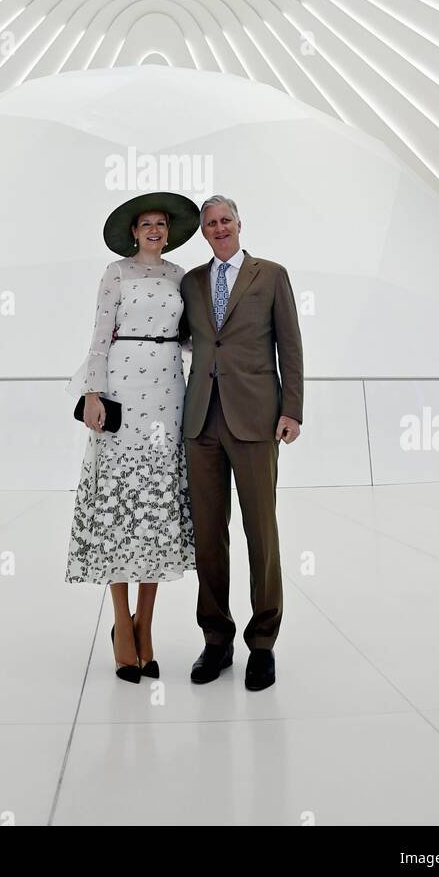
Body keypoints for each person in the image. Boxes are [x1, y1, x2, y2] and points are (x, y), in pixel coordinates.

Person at [65, 191, 200, 683]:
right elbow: (99, 336)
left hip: (168, 387)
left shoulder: (178, 277)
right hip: (123, 384)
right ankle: (122, 622)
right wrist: (94, 393)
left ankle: (147, 622)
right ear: (133, 232)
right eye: (146, 223)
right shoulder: (115, 273)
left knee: (156, 502)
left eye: (161, 223)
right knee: (122, 501)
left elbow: (188, 336)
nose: (154, 230)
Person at [179, 195, 303, 692]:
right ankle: (216, 639)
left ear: (238, 224)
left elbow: (290, 344)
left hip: (256, 419)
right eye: (211, 223)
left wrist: (291, 408)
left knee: (261, 531)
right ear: (204, 232)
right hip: (201, 422)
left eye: (225, 219)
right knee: (209, 535)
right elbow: (180, 338)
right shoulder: (190, 282)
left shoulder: (270, 275)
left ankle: (263, 643)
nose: (218, 227)